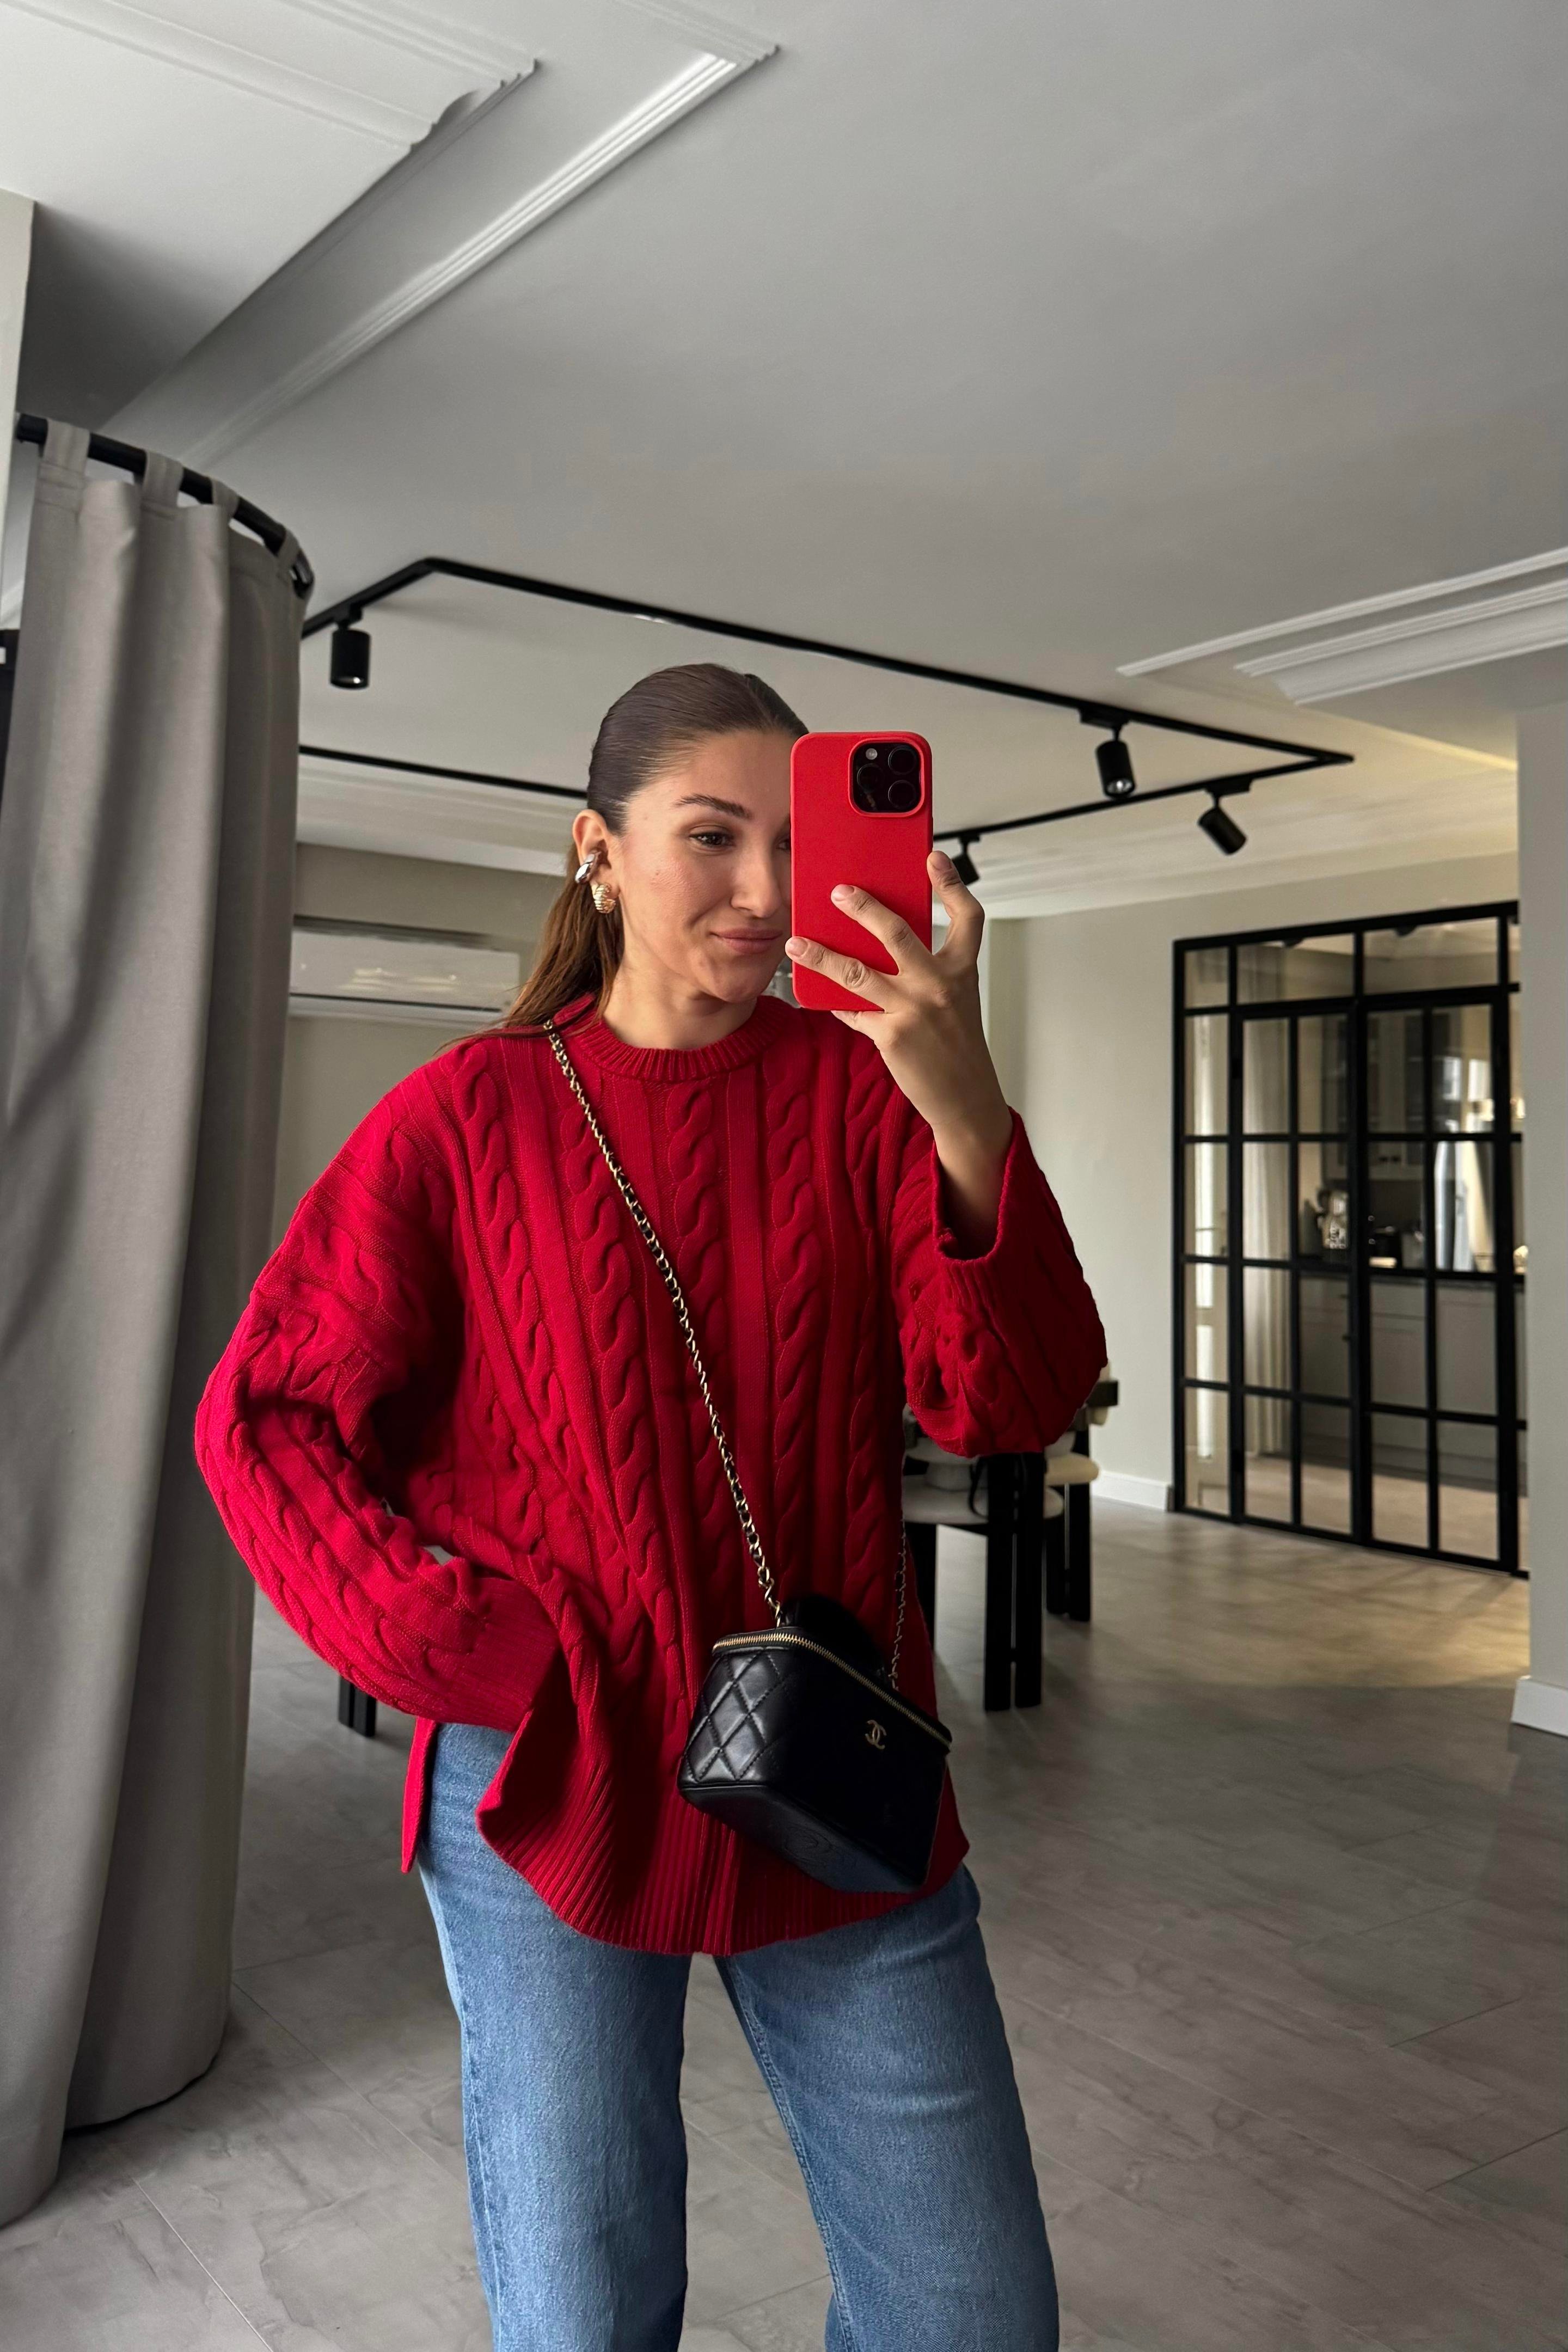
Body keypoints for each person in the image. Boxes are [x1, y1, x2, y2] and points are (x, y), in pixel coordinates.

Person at [195, 661, 1105, 2351]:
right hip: (554, 1776)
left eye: (793, 841)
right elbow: (267, 1415)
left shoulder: (867, 1092)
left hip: (833, 1760)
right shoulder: (465, 1117)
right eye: (710, 835)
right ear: (598, 851)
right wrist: (480, 1648)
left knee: (972, 2312)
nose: (763, 888)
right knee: (586, 2314)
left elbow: (1012, 1400)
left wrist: (965, 1096)